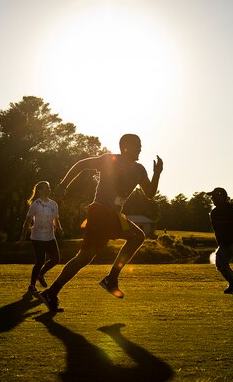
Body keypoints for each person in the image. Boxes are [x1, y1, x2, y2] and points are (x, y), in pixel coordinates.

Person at [37, 134, 163, 313]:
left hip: (115, 215)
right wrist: (64, 185)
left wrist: (156, 173)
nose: (140, 149)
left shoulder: (140, 170)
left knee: (85, 257)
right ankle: (110, 280)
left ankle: (52, 292)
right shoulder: (109, 160)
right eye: (137, 145)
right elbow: (81, 165)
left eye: (141, 145)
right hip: (100, 212)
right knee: (133, 238)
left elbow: (149, 193)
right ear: (125, 147)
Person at [19, 181, 63, 296]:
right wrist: (23, 235)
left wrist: (59, 228)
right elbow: (27, 220)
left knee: (56, 259)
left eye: (49, 187)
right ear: (39, 190)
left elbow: (55, 219)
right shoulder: (35, 204)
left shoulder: (54, 204)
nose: (48, 189)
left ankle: (41, 274)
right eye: (45, 188)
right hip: (37, 237)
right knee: (39, 261)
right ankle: (32, 286)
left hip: (50, 235)